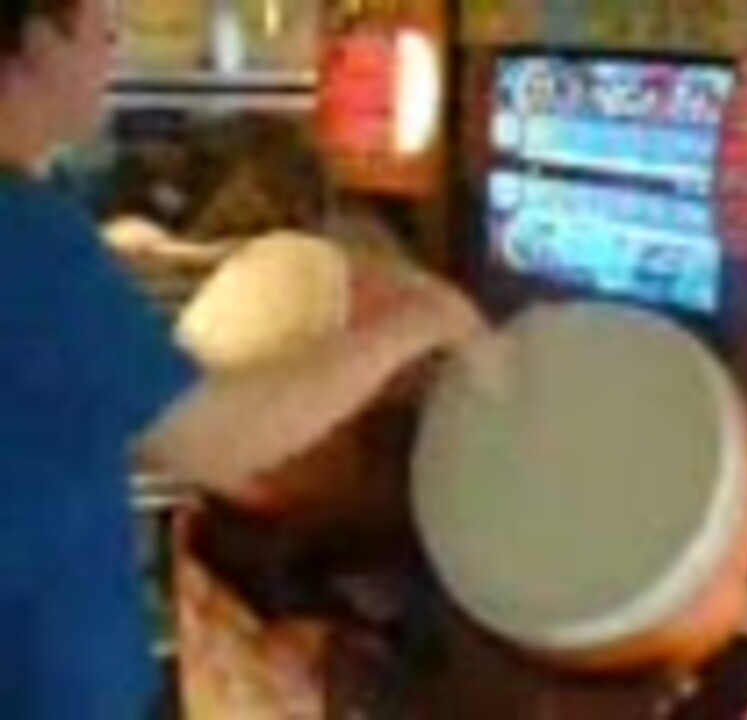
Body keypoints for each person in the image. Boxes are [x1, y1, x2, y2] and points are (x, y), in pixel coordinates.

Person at [0, 0, 484, 717]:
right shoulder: (29, 236)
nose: (113, 45)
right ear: (37, 37)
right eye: (102, 22)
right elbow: (220, 443)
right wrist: (417, 324)